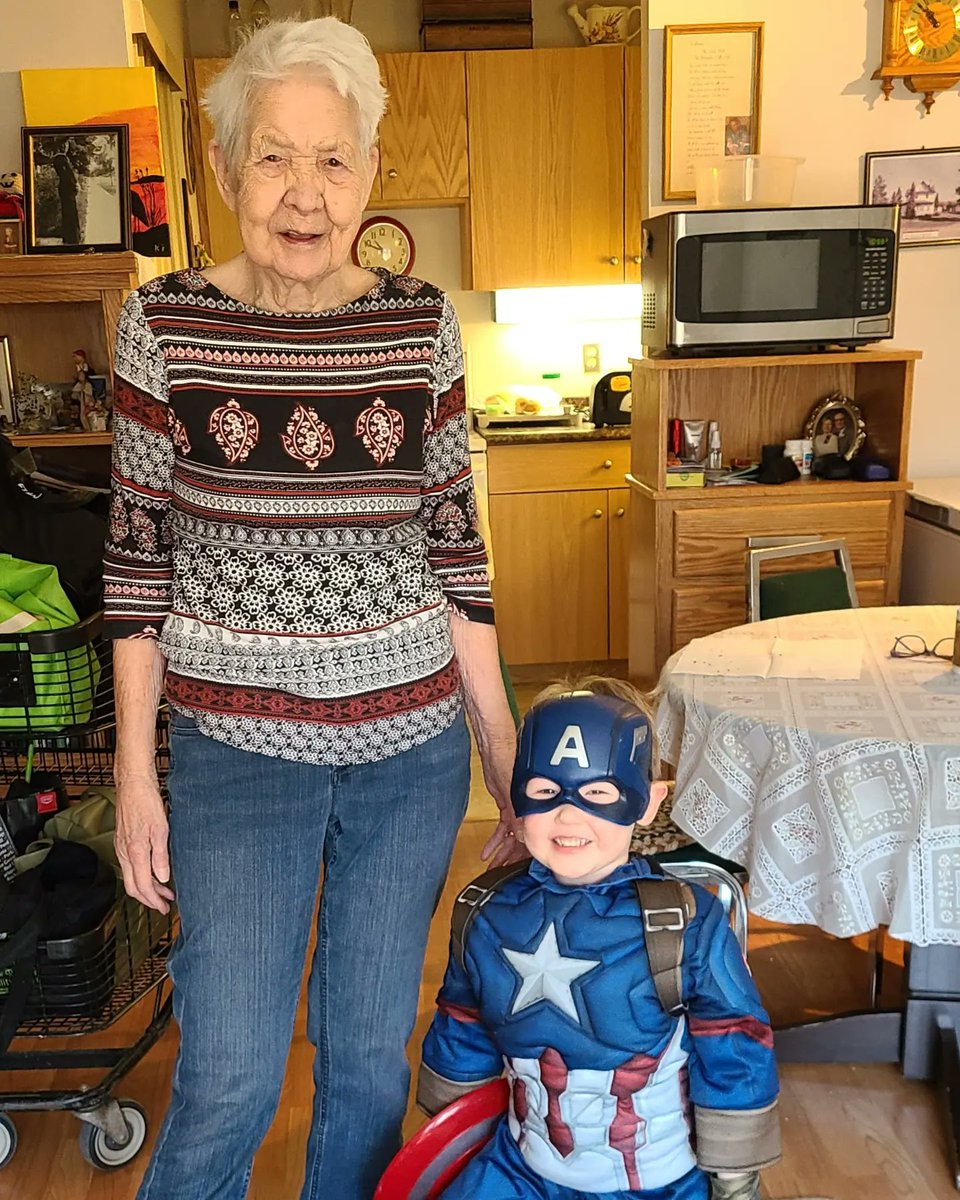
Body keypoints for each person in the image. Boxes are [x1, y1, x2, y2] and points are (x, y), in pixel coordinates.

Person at [102, 18, 522, 1200]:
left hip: (410, 755)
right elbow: (136, 565)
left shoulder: (420, 323)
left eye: (333, 159)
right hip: (236, 755)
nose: (305, 193)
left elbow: (455, 545)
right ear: (224, 168)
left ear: (370, 171)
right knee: (229, 1074)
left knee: (367, 1067)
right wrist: (135, 776)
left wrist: (501, 748)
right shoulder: (163, 325)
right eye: (274, 157)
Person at [418, 679, 781, 1200]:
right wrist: (448, 1136)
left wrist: (735, 1179)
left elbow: (734, 1045)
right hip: (520, 1170)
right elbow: (463, 1029)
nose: (569, 815)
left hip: (656, 1185)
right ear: (516, 792)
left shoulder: (685, 923)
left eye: (599, 794)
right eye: (545, 791)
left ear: (648, 801)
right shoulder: (486, 912)